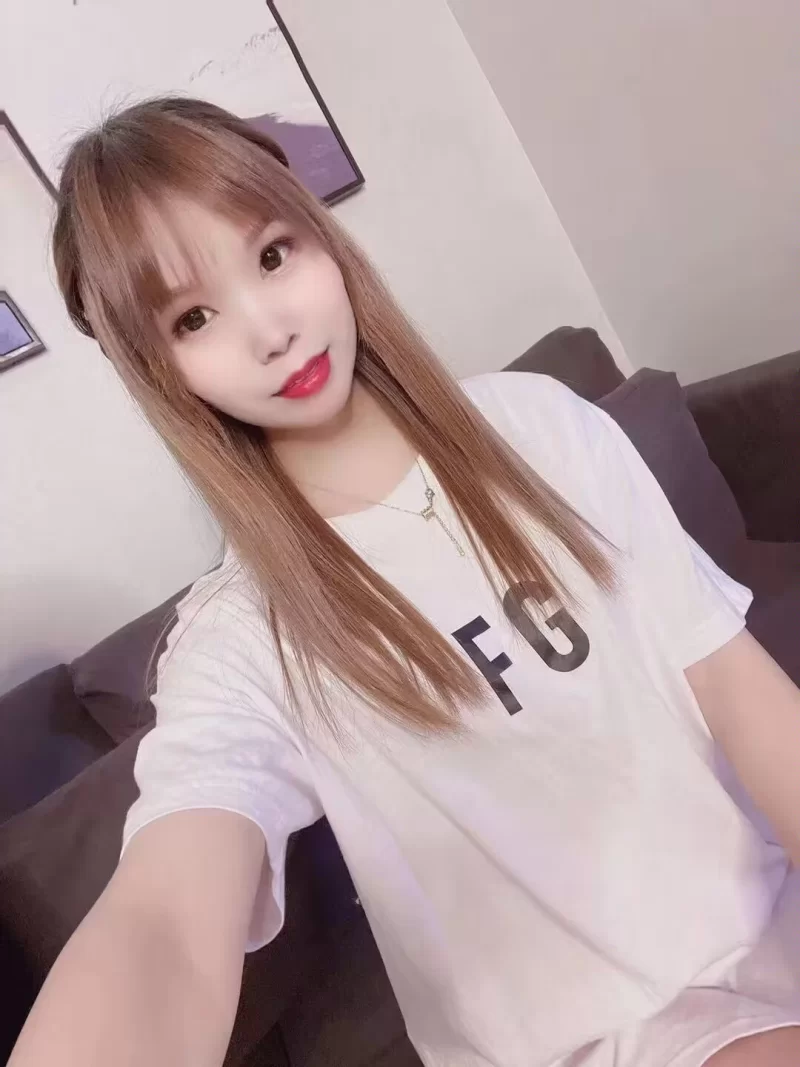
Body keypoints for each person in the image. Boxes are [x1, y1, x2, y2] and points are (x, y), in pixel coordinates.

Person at [9, 95, 800, 1067]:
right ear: (160, 368)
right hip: (604, 1039)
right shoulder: (241, 638)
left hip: (770, 920)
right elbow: (166, 917)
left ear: (320, 236)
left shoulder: (538, 426)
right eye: (194, 317)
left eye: (271, 255)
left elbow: (728, 679)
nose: (270, 330)